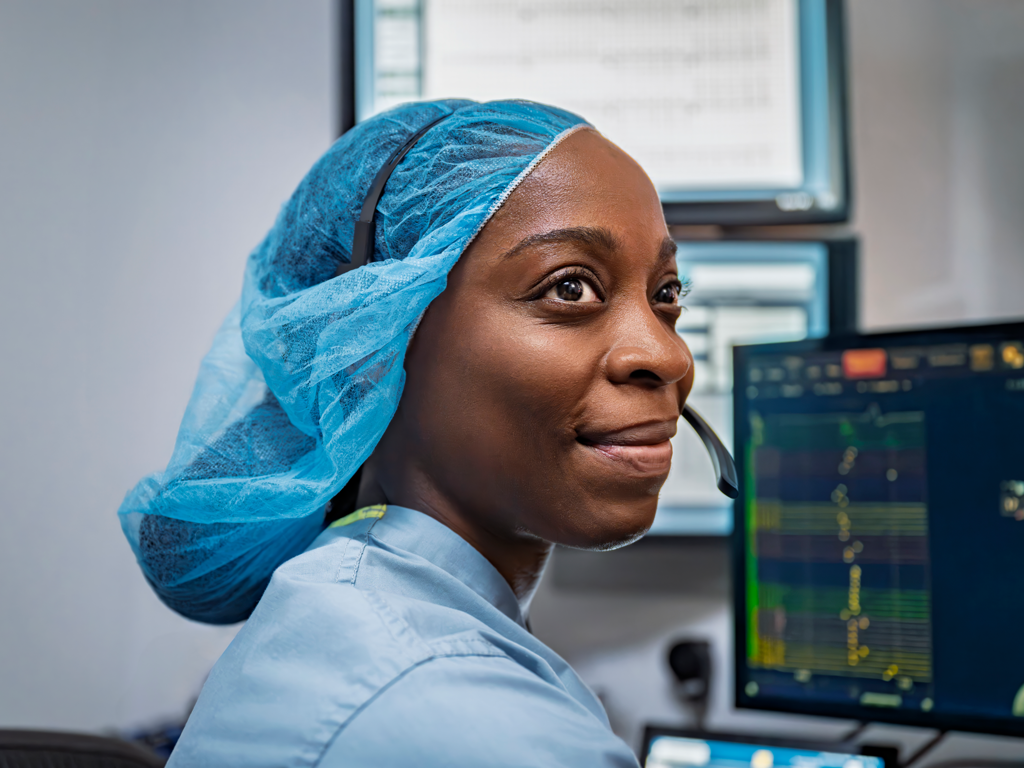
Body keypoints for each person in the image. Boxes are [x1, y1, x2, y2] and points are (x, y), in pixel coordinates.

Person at [121, 99, 707, 766]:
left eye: (666, 295)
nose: (668, 357)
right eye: (569, 288)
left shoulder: (349, 603)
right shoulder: (454, 712)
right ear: (371, 345)